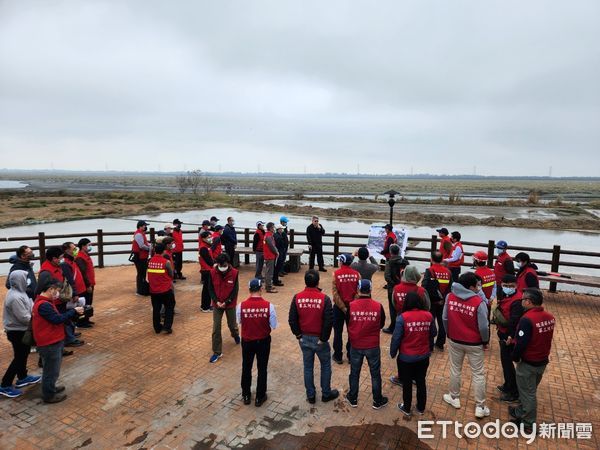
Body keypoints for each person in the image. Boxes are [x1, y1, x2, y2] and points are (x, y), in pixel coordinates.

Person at [442, 272, 491, 419]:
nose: (478, 288)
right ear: (470, 286)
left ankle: (454, 397)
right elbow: (484, 327)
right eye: (477, 285)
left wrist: (449, 333)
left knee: (455, 369)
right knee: (478, 373)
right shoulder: (478, 302)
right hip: (475, 343)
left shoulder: (450, 297)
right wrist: (485, 341)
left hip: (455, 340)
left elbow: (444, 318)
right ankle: (480, 406)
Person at [288, 270, 338, 404]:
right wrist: (323, 338)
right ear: (318, 282)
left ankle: (310, 395)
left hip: (304, 339)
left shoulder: (297, 297)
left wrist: (298, 335)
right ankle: (326, 393)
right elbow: (329, 321)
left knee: (308, 367)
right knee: (326, 365)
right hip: (320, 340)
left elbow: (292, 319)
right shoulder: (324, 299)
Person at [509, 288, 555, 433]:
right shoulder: (549, 317)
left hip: (528, 362)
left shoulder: (527, 319)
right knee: (529, 389)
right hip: (542, 360)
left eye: (523, 299)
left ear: (529, 302)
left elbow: (522, 343)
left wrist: (514, 357)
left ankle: (528, 424)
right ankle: (521, 411)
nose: (521, 301)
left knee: (528, 394)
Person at [32, 278, 84, 403]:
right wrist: (73, 311)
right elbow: (56, 319)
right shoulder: (44, 305)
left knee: (52, 369)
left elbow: (57, 318)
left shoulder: (45, 302)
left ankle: (51, 387)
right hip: (49, 342)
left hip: (53, 340)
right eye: (56, 291)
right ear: (50, 289)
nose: (57, 294)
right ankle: (49, 395)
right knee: (51, 370)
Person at [390, 292, 436, 416]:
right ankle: (421, 408)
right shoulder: (429, 316)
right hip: (423, 356)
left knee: (407, 382)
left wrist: (393, 352)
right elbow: (433, 333)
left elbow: (396, 338)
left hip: (406, 358)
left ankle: (407, 407)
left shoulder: (402, 317)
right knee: (421, 381)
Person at [345, 279, 388, 410]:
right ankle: (377, 400)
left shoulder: (351, 306)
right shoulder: (378, 306)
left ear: (358, 290)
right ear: (370, 290)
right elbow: (381, 324)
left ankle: (353, 398)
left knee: (354, 372)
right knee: (375, 374)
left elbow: (348, 323)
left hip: (356, 345)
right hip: (373, 345)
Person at [237, 278, 278, 407]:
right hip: (263, 341)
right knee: (262, 368)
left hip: (247, 341)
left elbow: (239, 322)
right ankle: (260, 396)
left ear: (249, 290)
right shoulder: (269, 306)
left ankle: (246, 394)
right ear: (261, 289)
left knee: (246, 367)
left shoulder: (241, 306)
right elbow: (274, 325)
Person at [0, 271, 41, 398]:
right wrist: (37, 319)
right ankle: (5, 385)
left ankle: (22, 377)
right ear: (19, 280)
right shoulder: (15, 297)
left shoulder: (21, 292)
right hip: (17, 331)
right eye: (25, 278)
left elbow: (31, 306)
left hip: (22, 329)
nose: (27, 280)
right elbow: (24, 317)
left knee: (23, 354)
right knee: (19, 357)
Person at [389, 266, 430, 386]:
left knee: (403, 350)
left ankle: (402, 377)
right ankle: (416, 377)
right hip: (419, 324)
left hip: (401, 322)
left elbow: (394, 304)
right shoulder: (421, 291)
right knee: (418, 347)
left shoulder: (396, 288)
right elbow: (428, 307)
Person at [492, 274, 524, 403]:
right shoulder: (505, 294)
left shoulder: (517, 301)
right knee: (505, 362)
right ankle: (508, 384)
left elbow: (514, 321)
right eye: (505, 285)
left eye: (510, 286)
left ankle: (514, 391)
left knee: (508, 363)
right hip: (502, 332)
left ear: (516, 286)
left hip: (509, 335)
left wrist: (510, 336)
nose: (507, 288)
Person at [208, 254, 240, 363]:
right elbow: (210, 288)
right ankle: (217, 352)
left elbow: (235, 291)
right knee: (216, 327)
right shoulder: (212, 273)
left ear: (228, 263)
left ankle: (235, 334)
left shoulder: (234, 273)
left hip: (229, 304)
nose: (222, 267)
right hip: (217, 304)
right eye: (220, 265)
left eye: (224, 265)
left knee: (232, 324)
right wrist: (216, 301)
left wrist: (226, 302)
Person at [331, 253, 360, 364]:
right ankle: (350, 355)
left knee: (337, 332)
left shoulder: (336, 274)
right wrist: (351, 305)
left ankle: (338, 356)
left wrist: (342, 307)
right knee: (351, 332)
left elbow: (335, 293)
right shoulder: (357, 274)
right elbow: (358, 292)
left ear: (342, 262)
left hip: (339, 308)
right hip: (352, 308)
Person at [422, 251, 452, 351]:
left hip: (431, 302)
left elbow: (424, 287)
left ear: (431, 259)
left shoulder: (429, 270)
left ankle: (429, 345)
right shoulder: (448, 272)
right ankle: (440, 343)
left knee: (430, 322)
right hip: (443, 301)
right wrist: (444, 299)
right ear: (442, 259)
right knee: (442, 322)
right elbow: (450, 288)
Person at [60, 242, 87, 346]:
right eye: (74, 248)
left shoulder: (72, 261)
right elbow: (70, 280)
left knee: (72, 314)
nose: (76, 250)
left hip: (77, 291)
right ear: (67, 250)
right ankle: (69, 338)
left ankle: (71, 333)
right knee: (68, 314)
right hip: (71, 294)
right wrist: (74, 293)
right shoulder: (65, 263)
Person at [147, 242, 175, 334]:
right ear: (163, 251)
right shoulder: (166, 262)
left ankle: (157, 328)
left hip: (153, 290)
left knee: (156, 308)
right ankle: (167, 327)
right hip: (165, 289)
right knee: (170, 307)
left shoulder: (150, 261)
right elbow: (171, 274)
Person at [383, 244, 409, 334]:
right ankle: (405, 325)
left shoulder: (389, 262)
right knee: (404, 306)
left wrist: (395, 285)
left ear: (390, 252)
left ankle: (393, 327)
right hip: (405, 288)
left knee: (392, 307)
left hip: (392, 289)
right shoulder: (405, 262)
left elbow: (387, 277)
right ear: (398, 252)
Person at [75, 238, 96, 327]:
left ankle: (86, 319)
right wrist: (88, 285)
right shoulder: (80, 257)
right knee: (84, 303)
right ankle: (81, 322)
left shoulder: (86, 255)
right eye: (88, 245)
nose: (90, 247)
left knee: (88, 302)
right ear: (83, 246)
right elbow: (83, 273)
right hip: (85, 284)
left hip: (90, 282)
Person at [131, 220, 151, 295]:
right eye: (144, 226)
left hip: (142, 256)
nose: (146, 227)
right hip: (139, 257)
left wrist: (149, 245)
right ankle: (140, 290)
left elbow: (144, 244)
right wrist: (149, 248)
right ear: (140, 226)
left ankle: (142, 289)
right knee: (140, 273)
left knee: (142, 273)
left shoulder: (141, 233)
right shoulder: (138, 234)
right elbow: (141, 246)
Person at [199, 231, 215, 312]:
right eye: (208, 237)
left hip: (209, 269)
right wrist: (214, 265)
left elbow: (210, 258)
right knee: (207, 289)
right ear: (203, 239)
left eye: (210, 237)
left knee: (207, 288)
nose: (210, 238)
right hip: (206, 270)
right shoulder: (203, 248)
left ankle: (206, 305)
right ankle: (205, 306)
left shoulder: (207, 246)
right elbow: (208, 260)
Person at [263, 222, 280, 293]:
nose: (274, 228)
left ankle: (268, 284)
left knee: (268, 271)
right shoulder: (269, 236)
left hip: (269, 255)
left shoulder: (268, 235)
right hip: (269, 256)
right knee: (269, 272)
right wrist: (277, 252)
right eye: (273, 227)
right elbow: (272, 246)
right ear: (270, 228)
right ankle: (268, 287)